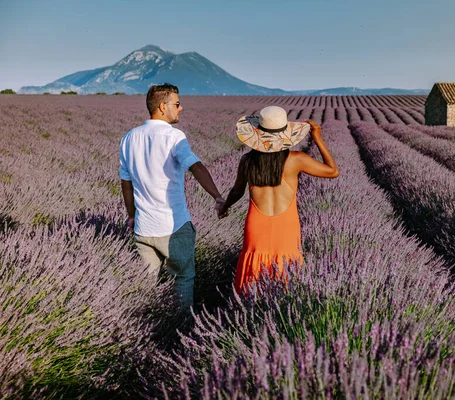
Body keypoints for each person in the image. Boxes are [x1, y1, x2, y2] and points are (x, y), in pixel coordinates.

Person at [119, 83, 224, 312]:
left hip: (144, 228)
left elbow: (126, 184)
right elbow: (195, 166)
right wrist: (217, 196)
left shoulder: (129, 138)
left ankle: (149, 333)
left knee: (146, 288)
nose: (181, 108)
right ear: (162, 106)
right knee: (184, 279)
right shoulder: (173, 136)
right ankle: (182, 330)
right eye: (176, 104)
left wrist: (131, 216)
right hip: (174, 226)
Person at [218, 106, 339, 295]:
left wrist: (224, 206)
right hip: (287, 225)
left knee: (254, 273)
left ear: (257, 134)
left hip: (256, 224)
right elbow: (333, 171)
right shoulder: (296, 160)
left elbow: (236, 191)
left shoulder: (248, 161)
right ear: (285, 135)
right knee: (286, 271)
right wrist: (317, 138)